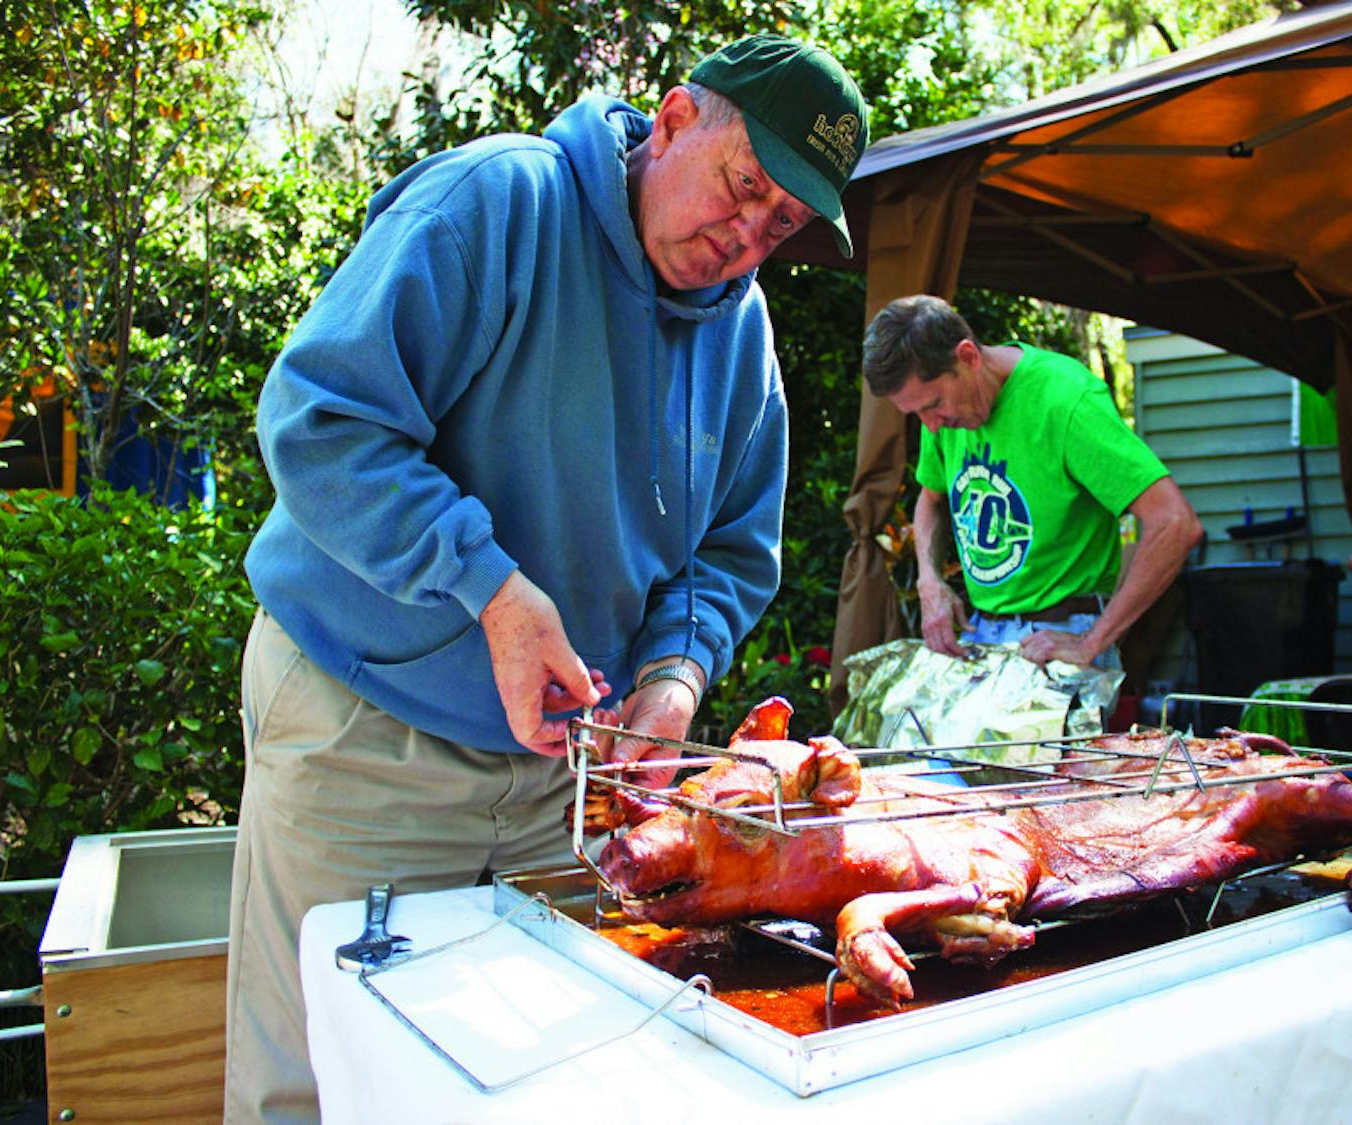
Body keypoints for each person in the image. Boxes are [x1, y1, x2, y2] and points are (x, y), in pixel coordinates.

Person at [225, 34, 868, 1122]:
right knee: (317, 1075)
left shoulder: (746, 334)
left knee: (552, 1077)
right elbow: (320, 422)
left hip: (567, 776)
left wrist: (673, 675)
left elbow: (728, 551)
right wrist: (488, 586)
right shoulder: (498, 202)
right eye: (744, 186)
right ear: (671, 122)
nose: (747, 237)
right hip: (367, 728)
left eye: (783, 225)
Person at [861, 294, 1202, 672]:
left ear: (968, 357)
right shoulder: (945, 415)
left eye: (932, 404)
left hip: (1062, 632)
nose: (930, 425)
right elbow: (931, 499)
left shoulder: (1066, 399)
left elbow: (1174, 522)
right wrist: (930, 581)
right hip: (981, 633)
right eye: (916, 414)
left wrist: (1096, 640)